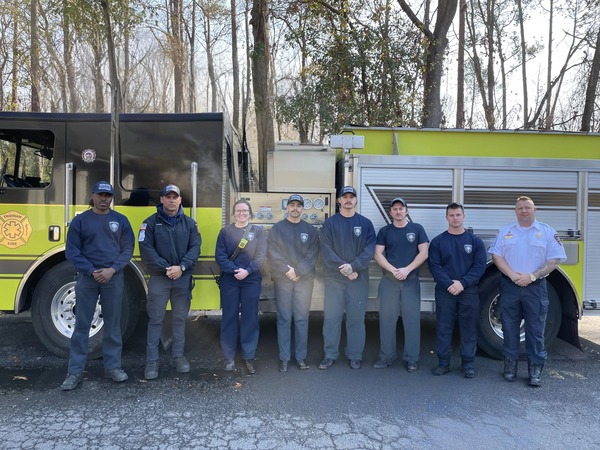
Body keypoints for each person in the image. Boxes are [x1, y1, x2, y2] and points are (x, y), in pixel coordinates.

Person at [60, 181, 134, 391]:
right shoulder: (80, 221)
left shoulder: (120, 220)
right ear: (92, 196)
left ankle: (113, 367)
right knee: (82, 326)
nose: (104, 199)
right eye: (100, 195)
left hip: (113, 277)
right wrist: (92, 270)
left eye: (108, 195)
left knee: (113, 326)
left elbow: (127, 249)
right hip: (87, 278)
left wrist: (113, 269)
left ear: (112, 198)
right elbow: (72, 252)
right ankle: (74, 372)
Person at [489, 196, 566, 387]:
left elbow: (554, 260)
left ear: (534, 210)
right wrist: (512, 275)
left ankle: (535, 371)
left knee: (536, 330)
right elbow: (496, 255)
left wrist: (531, 276)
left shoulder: (547, 232)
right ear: (515, 211)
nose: (523, 211)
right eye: (520, 208)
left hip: (536, 287)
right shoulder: (506, 232)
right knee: (509, 328)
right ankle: (510, 367)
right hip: (510, 286)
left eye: (527, 208)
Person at [138, 184, 201, 380]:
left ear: (180, 200)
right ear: (162, 200)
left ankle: (178, 357)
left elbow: (195, 248)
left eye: (176, 197)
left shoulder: (190, 224)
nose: (172, 200)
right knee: (155, 320)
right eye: (168, 196)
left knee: (180, 319)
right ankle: (152, 362)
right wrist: (167, 268)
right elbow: (146, 250)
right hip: (159, 278)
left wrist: (181, 267)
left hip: (182, 277)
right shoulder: (149, 224)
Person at [318, 186, 376, 370]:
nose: (348, 200)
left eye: (352, 197)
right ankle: (329, 355)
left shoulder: (365, 224)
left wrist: (354, 266)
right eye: (345, 197)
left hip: (358, 278)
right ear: (339, 201)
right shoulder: (330, 224)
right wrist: (345, 268)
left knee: (356, 318)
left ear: (356, 200)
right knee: (332, 318)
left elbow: (369, 250)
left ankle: (355, 355)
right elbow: (325, 249)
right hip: (334, 279)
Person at [428, 203, 486, 378]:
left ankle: (468, 364)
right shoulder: (438, 241)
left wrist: (462, 283)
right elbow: (435, 266)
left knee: (468, 328)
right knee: (444, 327)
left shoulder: (474, 242)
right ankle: (443, 363)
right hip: (445, 291)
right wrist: (449, 284)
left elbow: (479, 266)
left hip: (468, 291)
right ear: (446, 218)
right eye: (451, 215)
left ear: (464, 216)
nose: (455, 218)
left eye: (458, 215)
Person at [373, 197, 428, 373]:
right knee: (387, 320)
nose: (398, 211)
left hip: (410, 282)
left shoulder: (417, 229)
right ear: (390, 213)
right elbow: (378, 254)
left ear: (407, 211)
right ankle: (386, 357)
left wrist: (407, 270)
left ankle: (411, 358)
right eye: (394, 209)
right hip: (389, 282)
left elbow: (424, 252)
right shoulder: (384, 231)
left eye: (401, 208)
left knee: (412, 321)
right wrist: (393, 270)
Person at [267, 194, 319, 372]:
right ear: (287, 208)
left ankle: (301, 358)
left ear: (302, 208)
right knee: (283, 318)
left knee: (302, 318)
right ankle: (284, 358)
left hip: (304, 280)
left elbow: (313, 254)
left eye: (298, 205)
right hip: (283, 279)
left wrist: (298, 271)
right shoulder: (277, 229)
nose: (295, 208)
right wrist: (287, 270)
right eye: (292, 205)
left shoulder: (310, 230)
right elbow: (272, 252)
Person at [215, 199, 267, 375]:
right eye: (238, 210)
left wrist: (248, 271)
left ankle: (248, 357)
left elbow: (261, 257)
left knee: (250, 318)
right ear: (233, 213)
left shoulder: (258, 232)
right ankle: (229, 357)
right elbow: (220, 257)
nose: (242, 213)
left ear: (250, 213)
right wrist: (234, 270)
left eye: (245, 211)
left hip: (251, 279)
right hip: (230, 279)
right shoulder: (225, 232)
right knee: (229, 317)